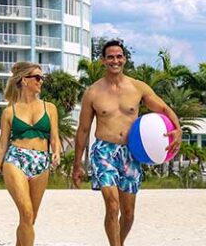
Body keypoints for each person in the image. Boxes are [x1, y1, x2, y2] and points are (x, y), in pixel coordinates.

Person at [73, 39, 182, 246]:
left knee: (129, 213)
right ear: (103, 60)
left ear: (124, 59)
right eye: (111, 57)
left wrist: (178, 130)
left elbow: (164, 109)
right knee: (112, 206)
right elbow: (83, 130)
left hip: (131, 153)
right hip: (104, 151)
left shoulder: (137, 87)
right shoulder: (93, 93)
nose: (115, 60)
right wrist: (77, 164)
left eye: (119, 56)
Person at [0, 62, 61, 246]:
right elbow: (1, 146)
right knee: (26, 212)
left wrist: (56, 152)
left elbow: (55, 138)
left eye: (42, 78)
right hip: (16, 159)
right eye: (38, 78)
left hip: (42, 161)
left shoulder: (50, 108)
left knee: (29, 219)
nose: (41, 81)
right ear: (25, 80)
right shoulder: (10, 112)